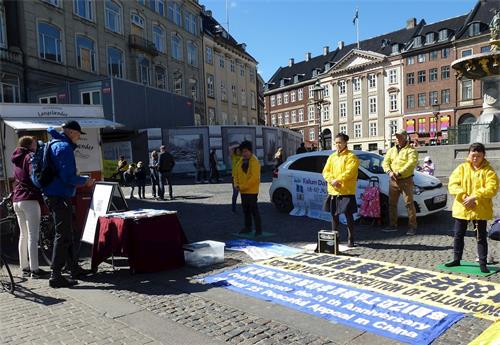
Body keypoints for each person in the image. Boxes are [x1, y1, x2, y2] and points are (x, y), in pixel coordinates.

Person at [43, 121, 93, 288]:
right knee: (63, 235)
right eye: (78, 134)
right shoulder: (63, 148)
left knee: (68, 233)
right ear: (71, 132)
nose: (79, 137)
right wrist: (85, 181)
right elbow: (67, 177)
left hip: (56, 193)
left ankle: (73, 268)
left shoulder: (55, 143)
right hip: (59, 194)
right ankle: (55, 275)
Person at [446, 143, 498, 273]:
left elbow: (492, 188)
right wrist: (464, 197)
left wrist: (475, 197)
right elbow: (453, 184)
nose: (475, 158)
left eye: (478, 156)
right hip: (462, 207)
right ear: (468, 155)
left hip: (479, 209)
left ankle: (482, 262)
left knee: (481, 237)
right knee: (458, 235)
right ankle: (456, 259)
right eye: (473, 155)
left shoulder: (489, 171)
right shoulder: (461, 168)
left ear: (483, 156)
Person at [11, 136, 48, 278]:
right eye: (34, 143)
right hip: (29, 199)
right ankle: (35, 270)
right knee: (33, 236)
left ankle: (24, 267)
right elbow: (35, 176)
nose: (36, 145)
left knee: (23, 234)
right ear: (29, 145)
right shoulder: (29, 157)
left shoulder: (16, 159)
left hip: (17, 200)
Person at [322, 133, 359, 247]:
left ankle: (350, 239)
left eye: (340, 142)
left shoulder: (351, 157)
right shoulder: (332, 156)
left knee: (348, 215)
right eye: (336, 142)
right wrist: (331, 180)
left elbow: (349, 172)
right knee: (334, 215)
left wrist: (337, 180)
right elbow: (325, 171)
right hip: (333, 190)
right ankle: (335, 238)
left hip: (346, 191)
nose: (337, 145)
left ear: (345, 143)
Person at [382, 130, 419, 235]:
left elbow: (411, 164)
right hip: (393, 180)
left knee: (409, 204)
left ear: (405, 137)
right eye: (396, 137)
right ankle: (392, 225)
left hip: (406, 180)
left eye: (399, 137)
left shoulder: (411, 150)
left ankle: (413, 226)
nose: (397, 139)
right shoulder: (392, 150)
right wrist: (389, 172)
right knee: (392, 204)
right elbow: (385, 162)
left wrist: (399, 173)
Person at [234, 141, 262, 235]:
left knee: (254, 210)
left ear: (250, 151)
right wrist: (236, 184)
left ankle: (258, 229)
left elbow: (254, 178)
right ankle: (247, 227)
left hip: (252, 191)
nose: (244, 154)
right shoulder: (240, 161)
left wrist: (241, 186)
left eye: (246, 151)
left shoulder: (255, 161)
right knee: (245, 210)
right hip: (243, 191)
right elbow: (236, 174)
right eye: (242, 152)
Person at [231, 146, 241, 213]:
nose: (238, 152)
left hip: (242, 178)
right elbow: (230, 149)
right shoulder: (233, 157)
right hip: (234, 178)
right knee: (235, 193)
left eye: (239, 151)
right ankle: (233, 208)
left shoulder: (242, 157)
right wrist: (236, 146)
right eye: (237, 150)